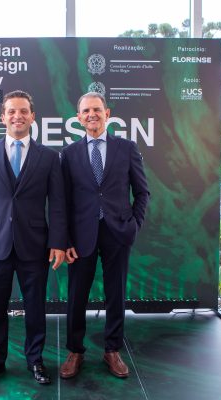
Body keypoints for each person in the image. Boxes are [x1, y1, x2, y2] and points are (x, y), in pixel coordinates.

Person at [0, 90, 67, 386]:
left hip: (35, 244)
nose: (17, 116)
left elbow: (57, 204)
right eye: (11, 111)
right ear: (3, 117)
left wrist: (58, 242)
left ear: (33, 117)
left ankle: (35, 360)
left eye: (23, 111)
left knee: (35, 307)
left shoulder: (49, 157)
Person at [59, 92, 150, 379]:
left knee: (116, 294)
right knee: (76, 295)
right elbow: (62, 201)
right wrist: (65, 240)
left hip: (118, 232)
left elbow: (142, 192)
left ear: (107, 113)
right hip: (80, 237)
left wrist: (134, 225)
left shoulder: (127, 148)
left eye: (97, 109)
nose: (92, 115)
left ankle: (112, 350)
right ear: (78, 117)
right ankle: (75, 351)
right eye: (86, 111)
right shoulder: (69, 154)